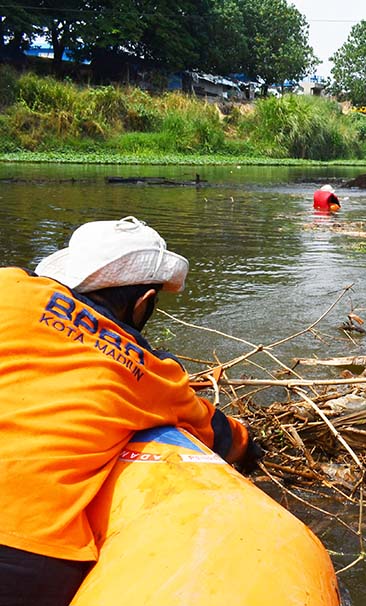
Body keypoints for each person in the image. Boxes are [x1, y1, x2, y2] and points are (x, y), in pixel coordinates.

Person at [0, 216, 260, 606]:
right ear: (145, 303)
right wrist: (253, 448)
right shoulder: (152, 372)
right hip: (31, 555)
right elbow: (222, 436)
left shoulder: (9, 286)